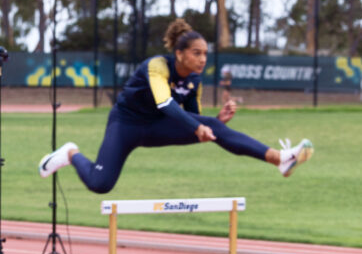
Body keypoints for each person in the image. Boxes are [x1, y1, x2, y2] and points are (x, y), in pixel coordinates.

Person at [38, 19, 314, 193]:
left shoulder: (195, 79)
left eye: (205, 53)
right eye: (197, 53)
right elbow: (167, 104)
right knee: (101, 185)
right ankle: (71, 153)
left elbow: (192, 116)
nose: (203, 59)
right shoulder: (157, 66)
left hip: (157, 128)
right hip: (127, 124)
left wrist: (214, 120)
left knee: (214, 127)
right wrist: (198, 125)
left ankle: (280, 159)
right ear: (179, 53)